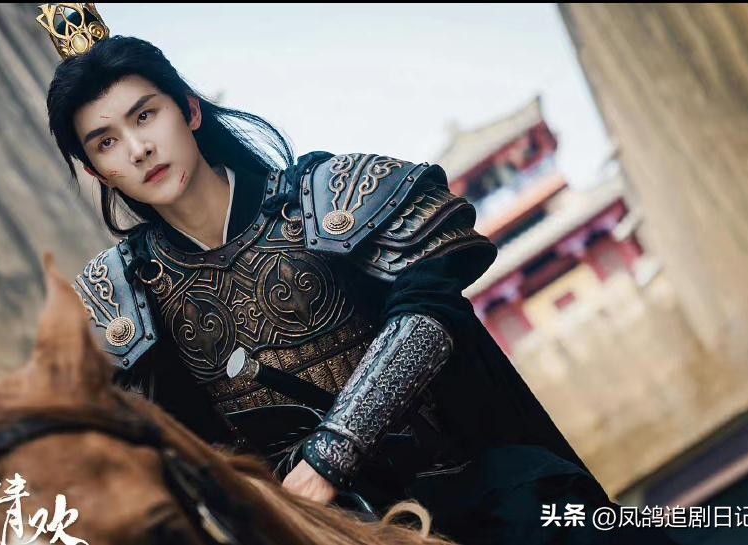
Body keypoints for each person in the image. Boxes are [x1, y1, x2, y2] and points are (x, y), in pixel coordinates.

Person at [37, 5, 679, 544]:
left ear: (189, 110)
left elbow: (430, 306)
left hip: (470, 495)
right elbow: (177, 458)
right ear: (95, 172)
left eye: (145, 115)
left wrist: (330, 456)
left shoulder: (326, 195)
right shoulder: (128, 298)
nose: (138, 149)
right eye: (106, 142)